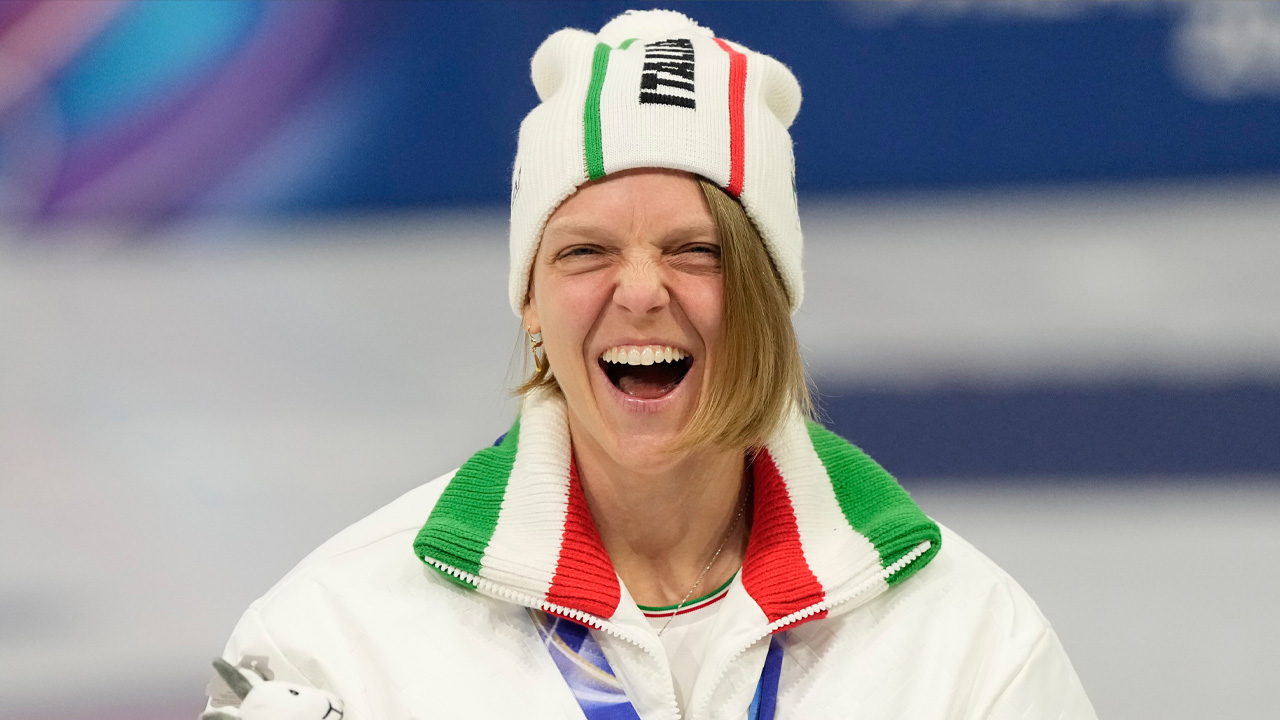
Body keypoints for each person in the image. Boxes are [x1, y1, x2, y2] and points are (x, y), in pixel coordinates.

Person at [206, 10, 1096, 720]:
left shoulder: (967, 642)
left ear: (771, 292)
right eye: (585, 251)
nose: (640, 292)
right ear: (530, 301)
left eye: (696, 250)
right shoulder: (335, 643)